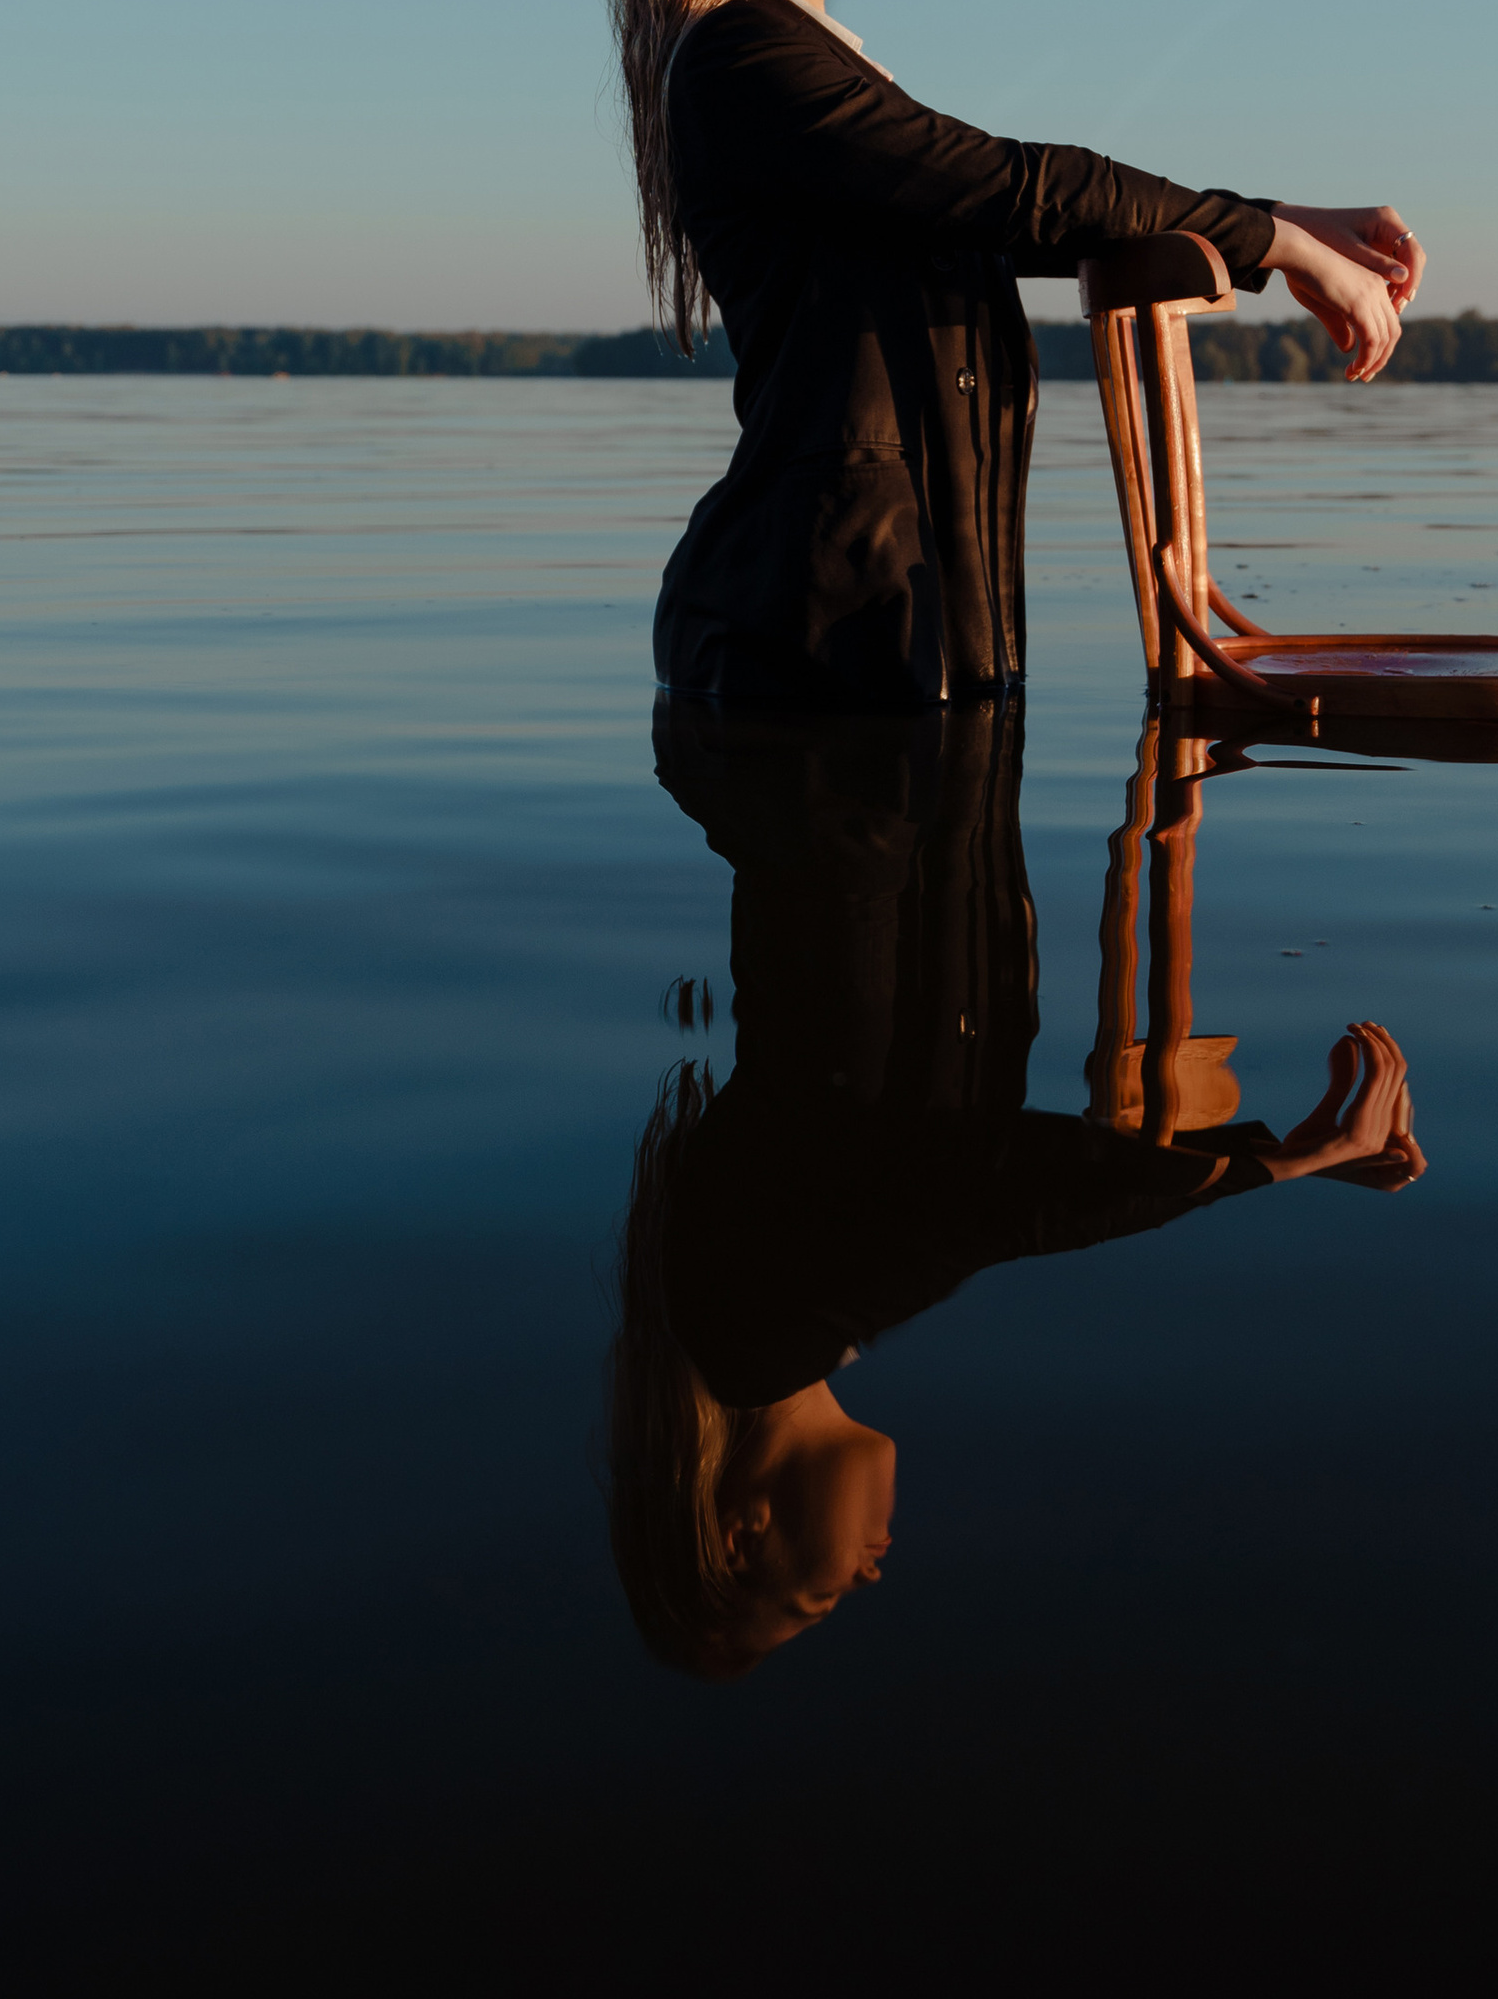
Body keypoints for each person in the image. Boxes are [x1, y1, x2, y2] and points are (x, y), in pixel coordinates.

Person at [603, 0, 1426, 709]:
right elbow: (1016, 189)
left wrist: (1282, 218)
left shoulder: (814, 64)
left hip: (890, 641)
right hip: (809, 651)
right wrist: (1280, 240)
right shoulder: (746, 62)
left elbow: (1022, 208)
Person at [602, 700, 1423, 1680]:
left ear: (742, 1535)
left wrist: (1285, 1161)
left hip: (873, 781)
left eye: (814, 1597)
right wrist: (1250, 1156)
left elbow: (1009, 1201)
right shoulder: (748, 1321)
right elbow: (1001, 1193)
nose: (868, 1577)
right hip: (887, 786)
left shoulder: (756, 1329)